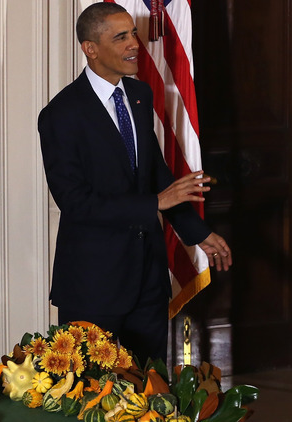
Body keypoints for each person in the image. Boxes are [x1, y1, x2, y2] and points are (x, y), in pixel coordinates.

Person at [37, 3, 232, 364]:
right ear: (90, 48)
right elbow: (75, 201)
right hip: (93, 285)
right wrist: (154, 204)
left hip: (148, 280)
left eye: (134, 34)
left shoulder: (140, 96)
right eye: (121, 37)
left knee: (150, 392)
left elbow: (155, 174)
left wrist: (197, 232)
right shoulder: (60, 114)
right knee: (92, 399)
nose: (135, 45)